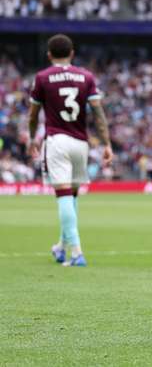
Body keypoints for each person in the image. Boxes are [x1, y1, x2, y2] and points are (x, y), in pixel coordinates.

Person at [26, 34, 113, 267]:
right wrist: (106, 143)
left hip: (57, 141)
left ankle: (77, 252)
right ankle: (61, 247)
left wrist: (33, 138)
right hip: (80, 143)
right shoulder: (86, 76)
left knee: (63, 196)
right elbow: (98, 113)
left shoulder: (42, 77)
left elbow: (33, 114)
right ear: (72, 53)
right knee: (72, 196)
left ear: (49, 55)